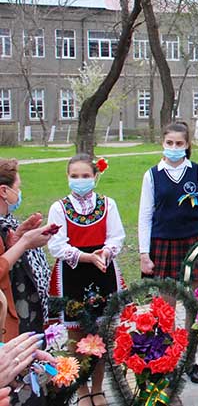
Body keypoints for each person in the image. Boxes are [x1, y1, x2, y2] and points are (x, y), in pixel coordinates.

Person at [137, 122, 198, 385]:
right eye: (169, 143)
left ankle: (190, 358)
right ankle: (168, 358)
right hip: (163, 244)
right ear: (163, 143)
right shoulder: (152, 175)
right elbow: (145, 216)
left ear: (187, 145)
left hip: (192, 243)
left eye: (179, 144)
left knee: (193, 304)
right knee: (166, 306)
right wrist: (143, 253)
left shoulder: (197, 172)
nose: (174, 148)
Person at [47, 154, 124, 406]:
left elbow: (117, 237)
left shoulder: (107, 204)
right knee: (75, 335)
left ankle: (99, 388)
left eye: (85, 176)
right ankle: (81, 390)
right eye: (74, 176)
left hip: (102, 272)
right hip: (73, 274)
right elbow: (57, 245)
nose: (80, 181)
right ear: (67, 177)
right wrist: (85, 257)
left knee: (100, 334)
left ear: (95, 177)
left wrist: (105, 252)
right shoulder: (59, 208)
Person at [0, 159, 53, 341]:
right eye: (18, 187)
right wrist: (24, 243)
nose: (20, 193)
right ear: (4, 191)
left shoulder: (7, 224)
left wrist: (16, 241)